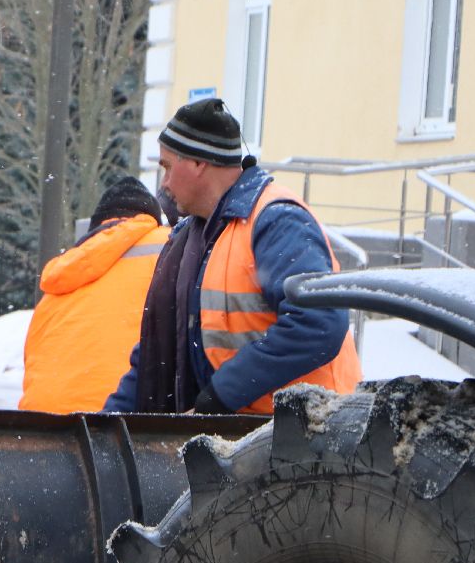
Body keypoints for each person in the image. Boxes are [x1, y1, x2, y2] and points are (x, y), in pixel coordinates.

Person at [104, 98, 359, 414]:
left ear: (199, 164)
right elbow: (159, 348)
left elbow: (319, 324)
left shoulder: (275, 219)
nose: (164, 182)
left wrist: (221, 395)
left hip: (312, 436)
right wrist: (107, 424)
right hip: (256, 436)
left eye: (167, 167)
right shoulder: (196, 237)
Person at [18, 176, 170, 413]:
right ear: (153, 220)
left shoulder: (61, 278)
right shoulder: (170, 247)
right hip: (120, 421)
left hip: (41, 426)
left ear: (96, 229)